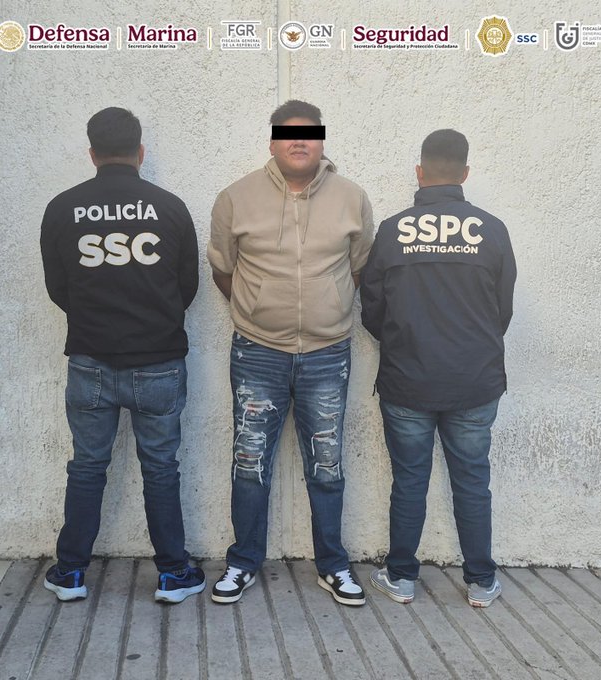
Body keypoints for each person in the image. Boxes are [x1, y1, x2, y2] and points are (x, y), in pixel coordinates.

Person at [207, 100, 374, 605]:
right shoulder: (236, 198)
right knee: (249, 462)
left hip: (327, 353)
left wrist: (329, 306)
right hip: (258, 352)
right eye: (287, 134)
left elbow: (359, 268)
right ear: (272, 142)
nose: (299, 141)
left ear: (322, 141)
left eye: (309, 134)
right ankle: (242, 562)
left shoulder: (352, 198)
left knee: (327, 464)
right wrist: (258, 308)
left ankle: (333, 566)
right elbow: (222, 270)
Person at [40, 107, 204, 603]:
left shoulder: (62, 208)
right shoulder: (170, 207)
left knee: (87, 466)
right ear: (141, 152)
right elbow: (186, 287)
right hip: (158, 359)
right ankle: (173, 574)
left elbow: (58, 287)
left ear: (92, 153)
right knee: (161, 468)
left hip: (90, 359)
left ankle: (70, 573)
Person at [360, 129, 516, 608]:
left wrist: (404, 345)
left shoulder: (393, 231)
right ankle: (481, 582)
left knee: (409, 481)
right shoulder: (491, 230)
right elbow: (502, 310)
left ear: (419, 172)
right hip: (474, 381)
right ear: (465, 173)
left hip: (408, 379)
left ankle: (401, 577)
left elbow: (371, 309)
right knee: (472, 482)